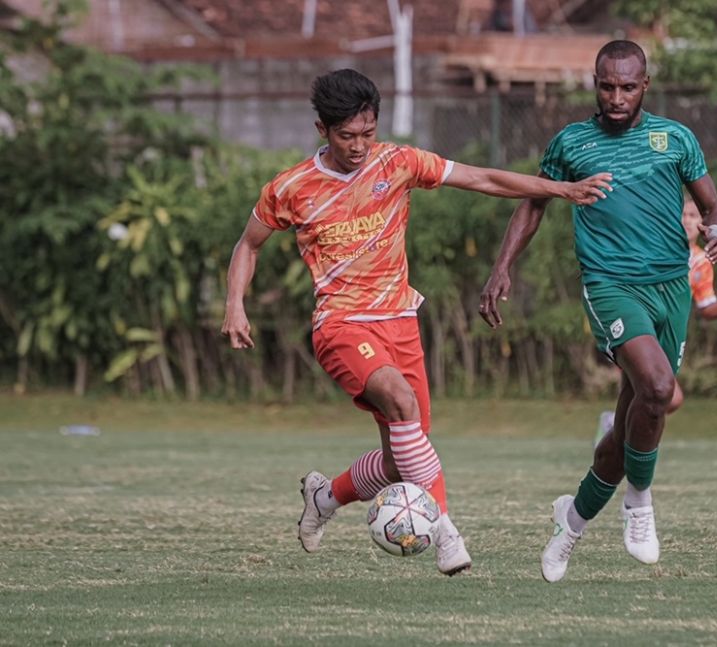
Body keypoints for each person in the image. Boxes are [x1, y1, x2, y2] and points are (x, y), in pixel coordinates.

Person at [221, 69, 612, 577]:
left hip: (400, 321)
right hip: (341, 324)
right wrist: (235, 303)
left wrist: (560, 190)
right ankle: (447, 532)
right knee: (402, 403)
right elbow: (248, 244)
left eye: (368, 132)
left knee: (401, 457)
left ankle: (326, 496)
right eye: (346, 136)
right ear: (322, 129)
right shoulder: (292, 187)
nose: (360, 146)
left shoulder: (398, 162)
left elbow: (483, 178)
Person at [479, 40, 717, 582]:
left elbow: (711, 206)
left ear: (645, 86)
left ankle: (571, 521)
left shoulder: (675, 138)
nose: (616, 97)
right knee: (659, 389)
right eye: (606, 86)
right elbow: (533, 202)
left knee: (632, 425)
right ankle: (640, 501)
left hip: (671, 289)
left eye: (627, 86)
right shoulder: (572, 142)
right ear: (595, 82)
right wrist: (502, 266)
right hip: (611, 286)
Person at [594, 194, 717, 442]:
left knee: (648, 396)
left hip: (666, 338)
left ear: (703, 223)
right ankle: (622, 441)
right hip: (636, 329)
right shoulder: (651, 246)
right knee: (668, 395)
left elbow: (706, 309)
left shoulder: (701, 263)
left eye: (693, 215)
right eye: (681, 214)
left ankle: (615, 432)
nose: (686, 220)